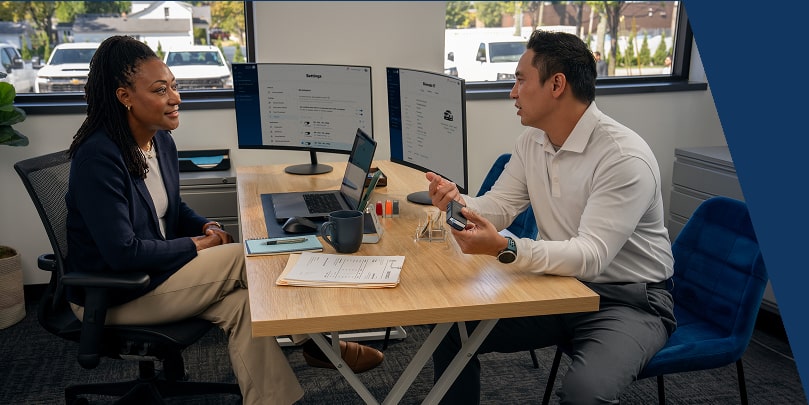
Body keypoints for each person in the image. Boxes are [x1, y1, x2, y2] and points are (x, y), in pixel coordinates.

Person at [65, 35, 382, 405]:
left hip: (156, 276)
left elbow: (170, 209)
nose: (175, 98)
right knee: (247, 256)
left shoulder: (159, 142)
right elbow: (123, 254)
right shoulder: (99, 159)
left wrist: (205, 227)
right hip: (117, 291)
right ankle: (320, 343)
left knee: (246, 306)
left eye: (174, 87)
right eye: (160, 90)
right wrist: (201, 245)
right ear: (125, 98)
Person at [426, 30, 676, 404]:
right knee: (450, 326)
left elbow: (590, 256)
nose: (512, 92)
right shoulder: (533, 140)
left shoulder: (623, 158)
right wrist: (456, 202)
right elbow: (500, 204)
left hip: (626, 300)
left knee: (584, 393)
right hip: (557, 286)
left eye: (520, 80)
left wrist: (507, 247)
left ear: (556, 84)